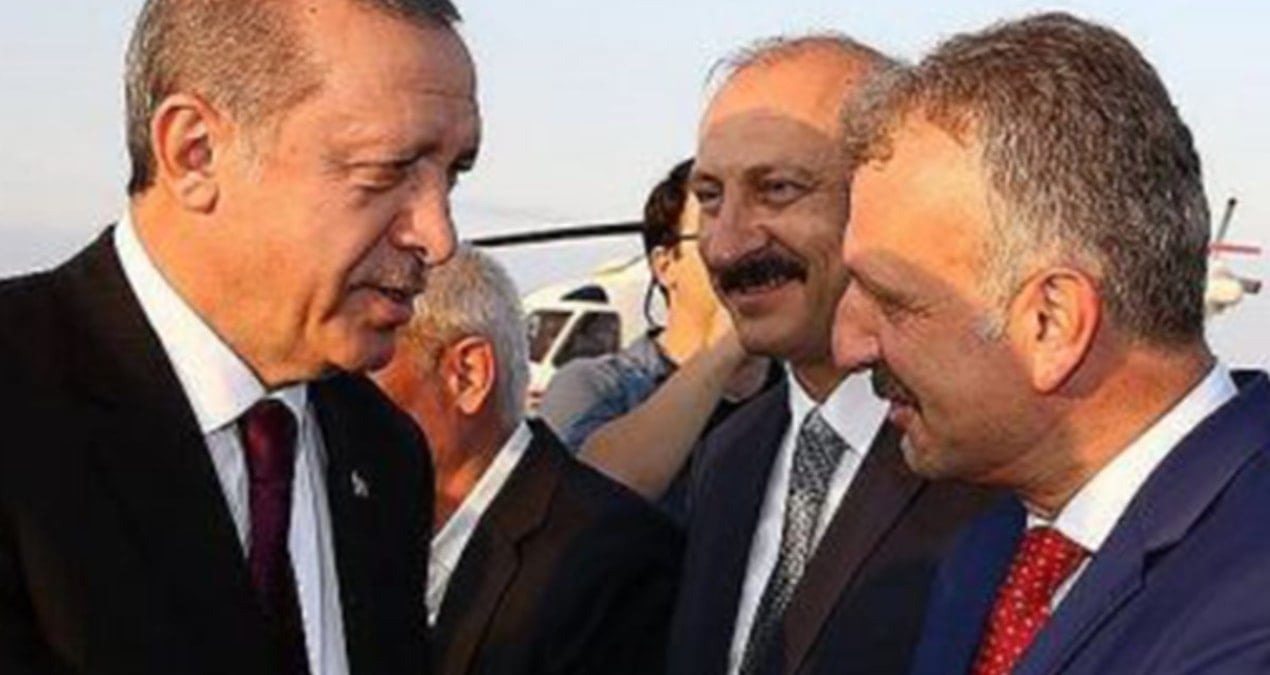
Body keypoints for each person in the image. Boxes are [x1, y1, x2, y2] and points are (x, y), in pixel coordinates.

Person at [0, 1, 478, 673]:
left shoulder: (386, 451)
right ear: (194, 152)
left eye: (452, 175)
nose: (439, 235)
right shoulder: (20, 404)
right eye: (387, 170)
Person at [834, 12, 1270, 674]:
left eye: (893, 301)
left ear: (1051, 322)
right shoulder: (989, 550)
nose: (848, 344)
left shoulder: (1249, 600)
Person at [665, 35, 997, 675]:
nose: (726, 245)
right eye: (709, 197)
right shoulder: (727, 458)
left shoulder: (990, 468)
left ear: (892, 202)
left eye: (777, 189)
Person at [374, 246, 682, 675]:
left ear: (468, 375)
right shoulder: (363, 536)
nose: (335, 407)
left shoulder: (619, 562)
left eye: (365, 375)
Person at [538, 159, 772, 521]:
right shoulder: (596, 387)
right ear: (665, 265)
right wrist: (725, 349)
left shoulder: (801, 393)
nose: (743, 252)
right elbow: (583, 504)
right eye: (714, 228)